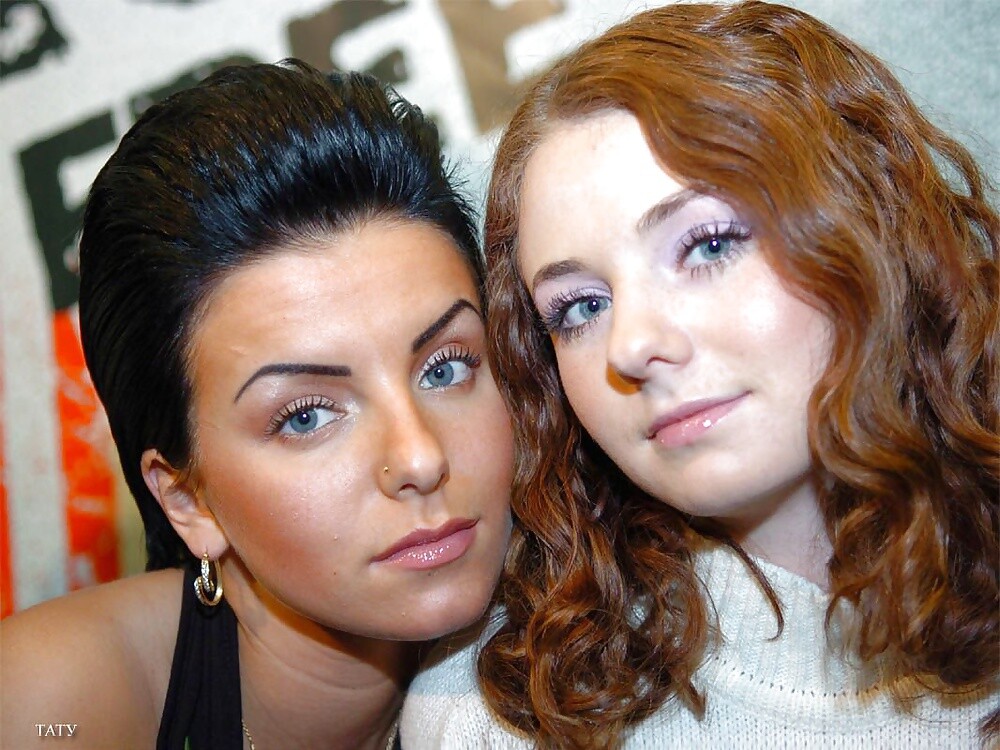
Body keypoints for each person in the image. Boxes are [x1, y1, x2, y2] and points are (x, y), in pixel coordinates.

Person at [400, 2, 998, 748]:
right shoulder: (498, 715)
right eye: (580, 307)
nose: (632, 346)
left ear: (867, 224)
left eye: (709, 246)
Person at [0, 60, 515, 749]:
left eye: (445, 368)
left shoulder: (604, 626)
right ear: (188, 500)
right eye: (306, 416)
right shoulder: (52, 705)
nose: (421, 457)